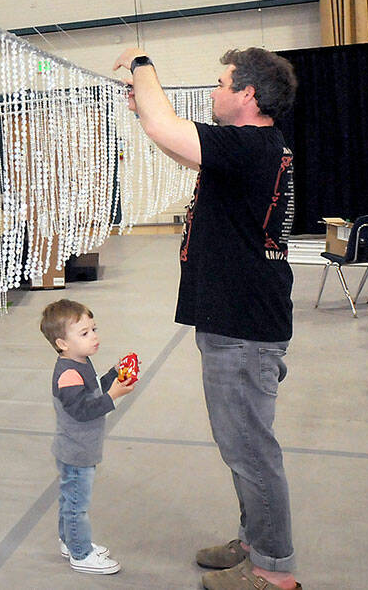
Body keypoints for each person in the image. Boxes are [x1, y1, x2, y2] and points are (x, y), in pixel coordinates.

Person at [114, 46, 300, 590]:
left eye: (221, 83)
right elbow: (176, 142)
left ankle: (273, 570)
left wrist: (142, 65)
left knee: (249, 449)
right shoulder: (251, 149)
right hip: (239, 320)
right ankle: (252, 542)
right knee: (240, 445)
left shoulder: (251, 146)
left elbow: (168, 126)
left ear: (247, 94)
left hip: (243, 327)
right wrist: (150, 117)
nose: (214, 92)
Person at [40, 298, 136, 575]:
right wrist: (113, 397)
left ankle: (69, 541)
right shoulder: (68, 373)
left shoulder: (81, 362)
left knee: (70, 499)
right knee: (76, 505)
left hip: (82, 449)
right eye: (84, 333)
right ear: (62, 343)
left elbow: (93, 390)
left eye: (93, 329)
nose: (94, 337)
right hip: (76, 451)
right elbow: (83, 410)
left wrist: (114, 375)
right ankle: (80, 554)